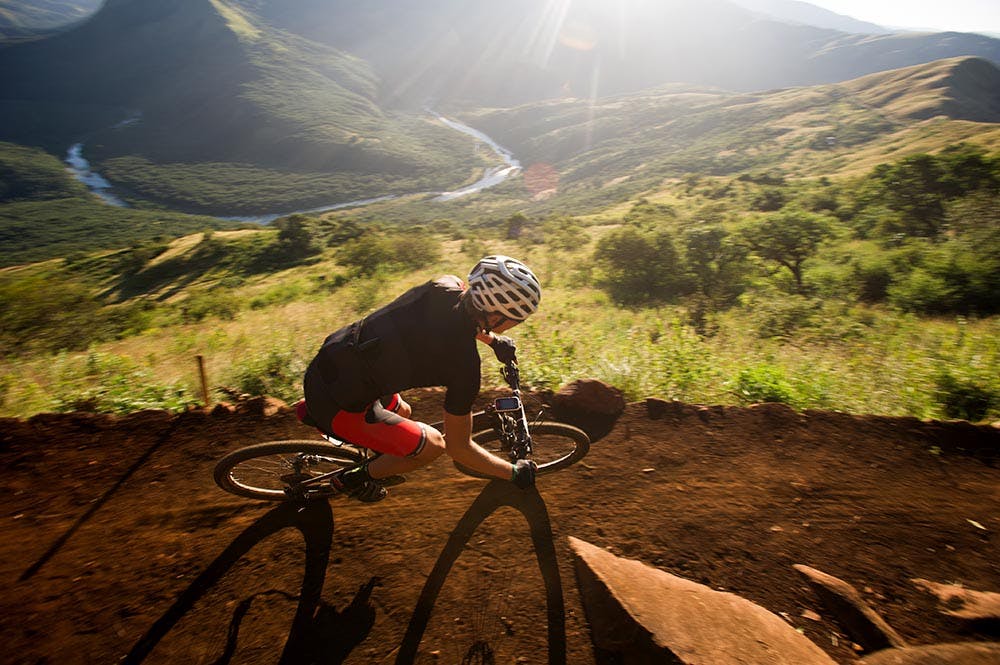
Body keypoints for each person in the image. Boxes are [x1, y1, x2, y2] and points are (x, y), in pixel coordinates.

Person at [297, 255, 542, 502]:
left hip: (330, 361)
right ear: (497, 316)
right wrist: (514, 472)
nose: (517, 324)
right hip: (337, 404)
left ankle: (376, 456)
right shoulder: (464, 367)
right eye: (517, 319)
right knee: (433, 446)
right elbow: (459, 449)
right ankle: (353, 478)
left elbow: (457, 318)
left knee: (402, 410)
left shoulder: (443, 285)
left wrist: (493, 340)